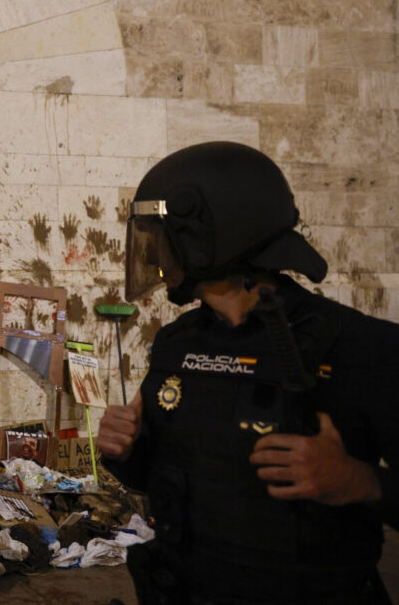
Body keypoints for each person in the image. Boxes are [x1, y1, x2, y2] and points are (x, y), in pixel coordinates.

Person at [97, 142, 397, 604]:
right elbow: (166, 478)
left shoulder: (361, 347)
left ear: (211, 231)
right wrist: (127, 449)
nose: (155, 249)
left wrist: (360, 481)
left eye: (163, 233)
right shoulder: (178, 344)